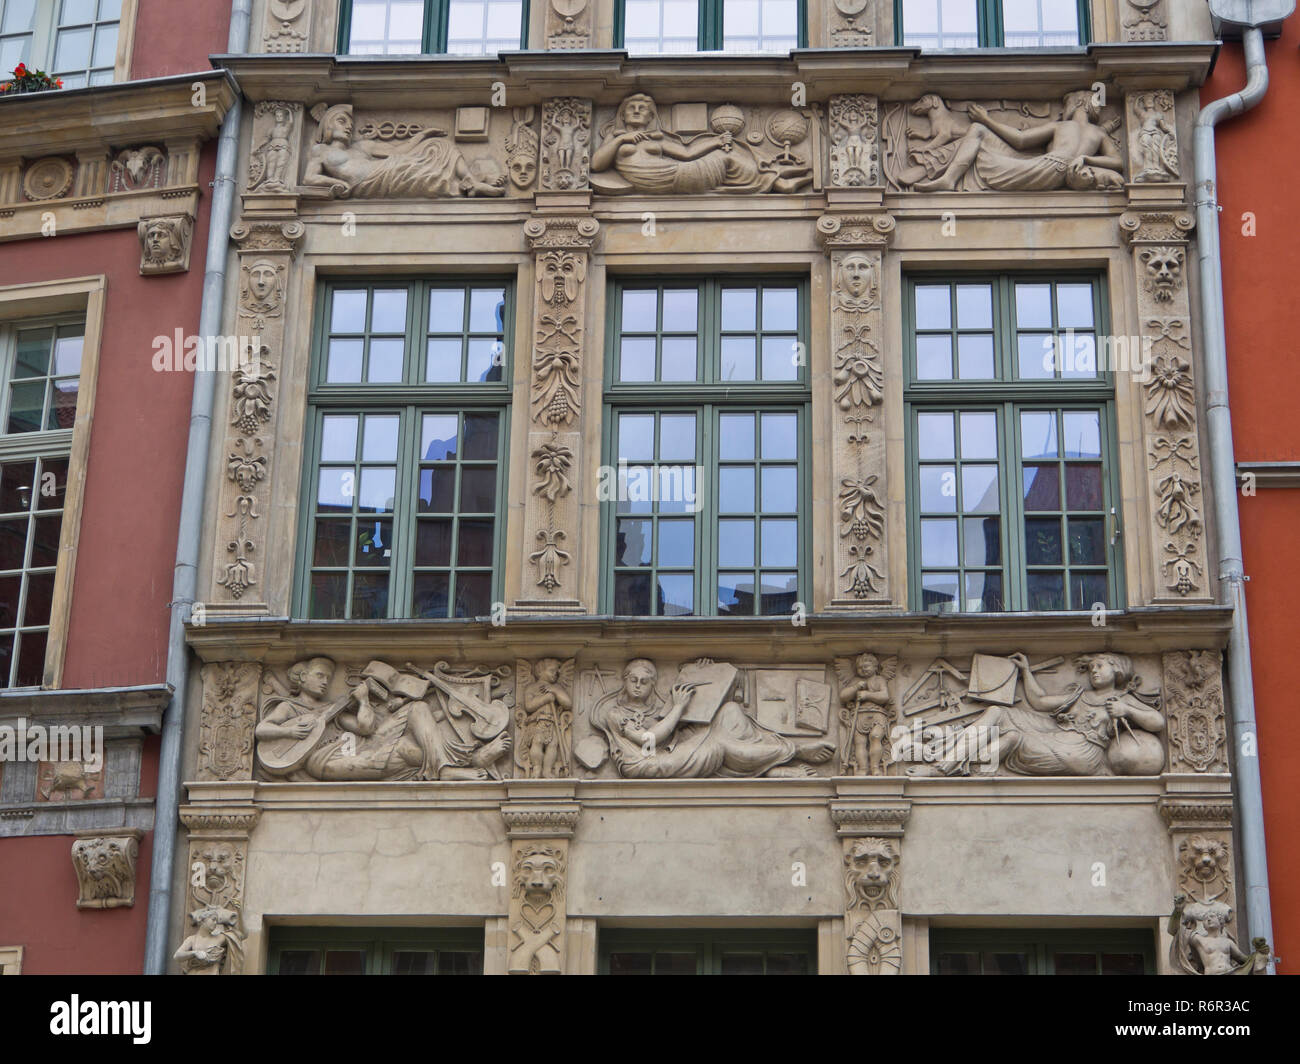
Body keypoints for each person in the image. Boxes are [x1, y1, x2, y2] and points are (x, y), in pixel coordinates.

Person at [589, 659, 833, 778]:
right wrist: (679, 707)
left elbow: (681, 730)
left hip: (675, 751)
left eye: (645, 681)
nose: (638, 686)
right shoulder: (616, 713)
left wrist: (702, 671)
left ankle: (768, 766)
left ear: (654, 684)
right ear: (624, 681)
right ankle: (794, 752)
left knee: (730, 711)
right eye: (633, 680)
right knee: (718, 744)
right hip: (648, 764)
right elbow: (649, 740)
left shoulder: (658, 706)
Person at [914, 91, 1123, 192]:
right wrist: (1086, 158)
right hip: (1058, 169)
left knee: (977, 129)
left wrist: (986, 119)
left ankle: (949, 179)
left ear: (1079, 102)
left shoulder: (1063, 126)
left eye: (1066, 103)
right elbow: (1118, 163)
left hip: (1048, 166)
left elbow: (1021, 140)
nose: (1062, 109)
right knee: (978, 132)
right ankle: (949, 178)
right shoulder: (1097, 133)